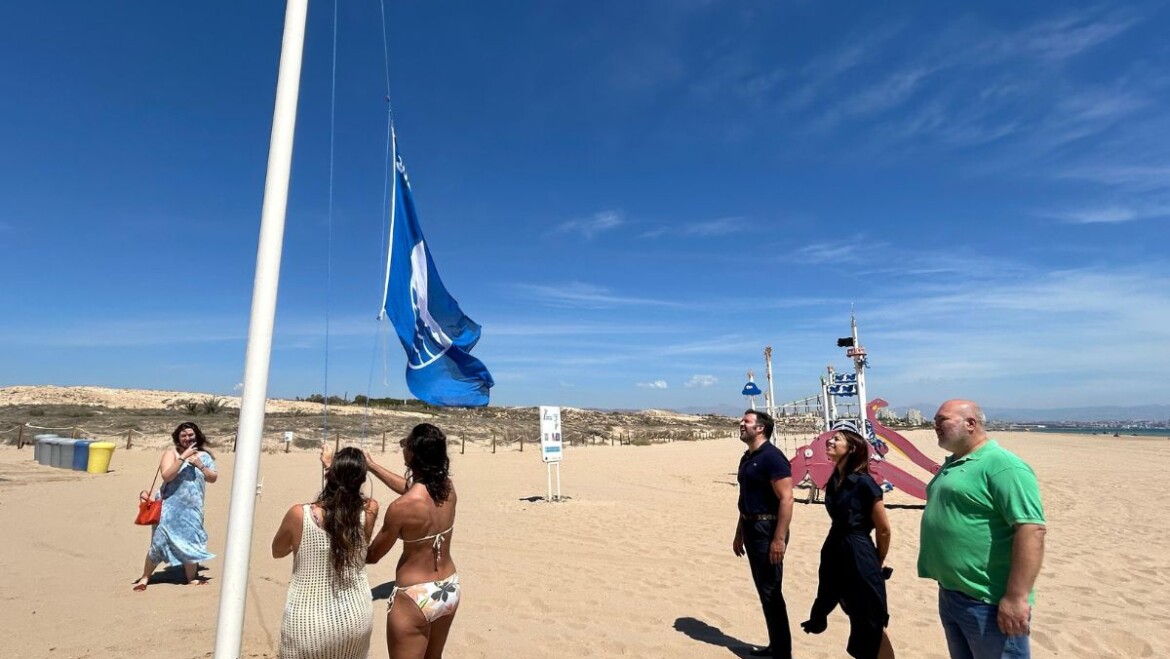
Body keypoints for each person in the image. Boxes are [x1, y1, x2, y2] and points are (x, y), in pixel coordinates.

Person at [919, 400, 1046, 659]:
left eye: (942, 420)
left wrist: (1017, 597)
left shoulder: (1002, 465)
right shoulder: (954, 462)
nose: (935, 426)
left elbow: (1031, 529)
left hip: (988, 600)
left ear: (971, 424)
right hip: (952, 593)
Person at [272, 446, 379, 659]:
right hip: (355, 618)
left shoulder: (299, 514)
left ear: (329, 475)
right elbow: (352, 530)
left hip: (307, 622)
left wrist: (329, 468)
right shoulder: (369, 509)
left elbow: (278, 551)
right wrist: (331, 468)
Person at [367, 423, 460, 659]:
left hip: (414, 595)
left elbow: (373, 556)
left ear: (412, 455)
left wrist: (364, 526)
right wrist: (372, 466)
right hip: (448, 587)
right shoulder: (448, 490)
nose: (403, 447)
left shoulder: (401, 508)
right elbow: (412, 488)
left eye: (405, 444)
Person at [801, 426, 895, 659]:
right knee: (848, 607)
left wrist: (878, 560)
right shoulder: (835, 479)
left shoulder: (864, 483)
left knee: (870, 617)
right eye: (831, 438)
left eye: (837, 439)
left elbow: (883, 529)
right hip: (835, 547)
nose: (830, 442)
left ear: (851, 449)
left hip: (858, 548)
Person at [732, 410, 794, 659]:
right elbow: (746, 498)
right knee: (764, 591)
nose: (741, 423)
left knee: (771, 591)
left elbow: (787, 499)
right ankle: (776, 645)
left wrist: (778, 539)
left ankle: (782, 652)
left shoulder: (772, 457)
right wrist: (739, 532)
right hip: (750, 527)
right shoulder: (747, 458)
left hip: (768, 530)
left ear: (760, 428)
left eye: (746, 421)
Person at [132, 421, 218, 591]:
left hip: (193, 508)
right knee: (159, 542)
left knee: (191, 541)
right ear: (178, 438)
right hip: (168, 507)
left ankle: (191, 577)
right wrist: (183, 457)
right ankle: (145, 577)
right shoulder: (171, 453)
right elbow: (167, 476)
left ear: (197, 436)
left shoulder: (204, 456)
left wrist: (200, 465)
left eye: (191, 435)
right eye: (183, 435)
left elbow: (213, 478)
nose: (187, 438)